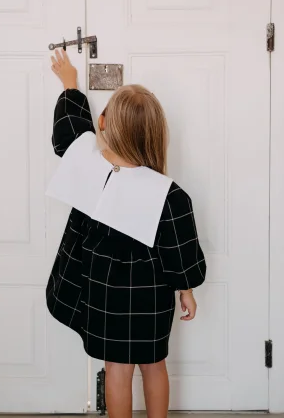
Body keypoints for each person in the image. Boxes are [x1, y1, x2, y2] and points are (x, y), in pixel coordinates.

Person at [46, 49, 206, 418]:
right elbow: (180, 252)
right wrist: (186, 289)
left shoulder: (85, 165)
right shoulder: (170, 195)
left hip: (104, 294)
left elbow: (70, 132)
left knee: (117, 370)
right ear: (155, 134)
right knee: (154, 365)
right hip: (152, 298)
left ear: (102, 122)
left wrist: (70, 84)